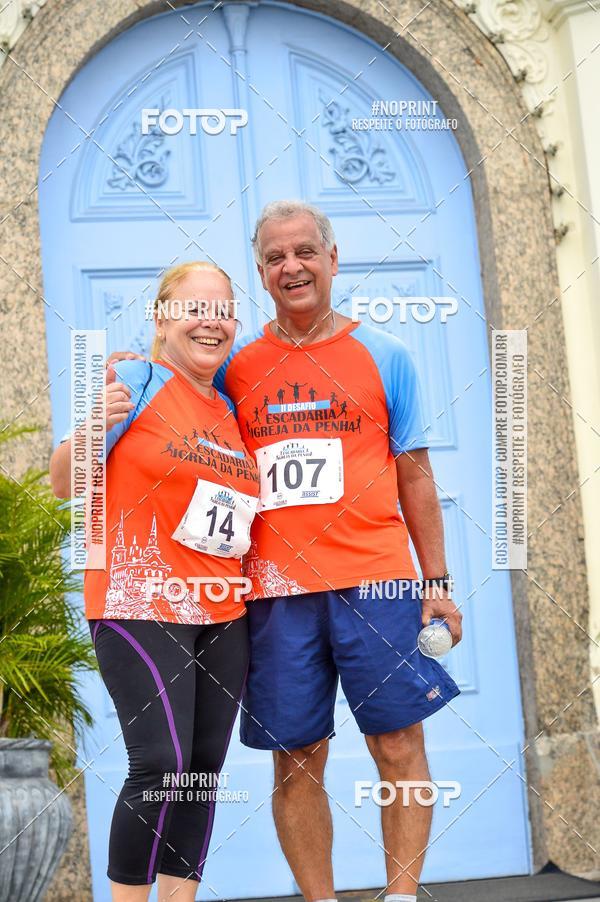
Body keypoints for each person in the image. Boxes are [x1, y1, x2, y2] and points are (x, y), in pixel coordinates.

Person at [111, 201, 463, 902]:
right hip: (272, 596)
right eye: (274, 258)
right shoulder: (236, 362)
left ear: (333, 260)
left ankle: (400, 896)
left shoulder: (387, 355)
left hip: (379, 585)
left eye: (305, 252)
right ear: (262, 274)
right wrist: (134, 366)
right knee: (296, 761)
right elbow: (174, 392)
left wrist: (438, 581)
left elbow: (416, 477)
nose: (291, 266)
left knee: (399, 748)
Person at [50, 262, 259, 902]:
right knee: (159, 766)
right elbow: (65, 484)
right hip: (137, 601)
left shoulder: (229, 409)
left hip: (222, 611)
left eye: (222, 309)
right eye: (193, 307)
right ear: (162, 317)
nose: (209, 321)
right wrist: (90, 429)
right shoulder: (134, 380)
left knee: (200, 775)